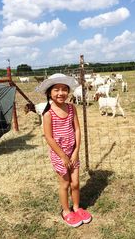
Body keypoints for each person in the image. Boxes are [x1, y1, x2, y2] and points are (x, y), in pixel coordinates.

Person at [38, 73, 92, 227]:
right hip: (59, 156)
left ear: (68, 92)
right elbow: (49, 137)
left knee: (75, 183)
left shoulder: (71, 108)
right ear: (49, 93)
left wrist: (75, 152)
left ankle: (76, 207)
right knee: (65, 184)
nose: (60, 93)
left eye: (64, 89)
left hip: (72, 153)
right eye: (56, 89)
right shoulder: (48, 114)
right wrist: (63, 156)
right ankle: (66, 211)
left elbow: (77, 130)